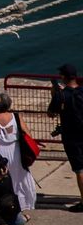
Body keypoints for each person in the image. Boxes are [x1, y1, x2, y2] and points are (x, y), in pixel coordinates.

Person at [0, 91, 37, 214]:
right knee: (19, 177)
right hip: (15, 151)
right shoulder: (16, 116)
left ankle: (3, 206)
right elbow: (27, 134)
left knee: (2, 180)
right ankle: (21, 206)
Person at [49, 63, 83, 211]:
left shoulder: (61, 95)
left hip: (72, 137)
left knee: (80, 170)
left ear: (63, 77)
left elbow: (51, 113)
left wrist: (54, 95)